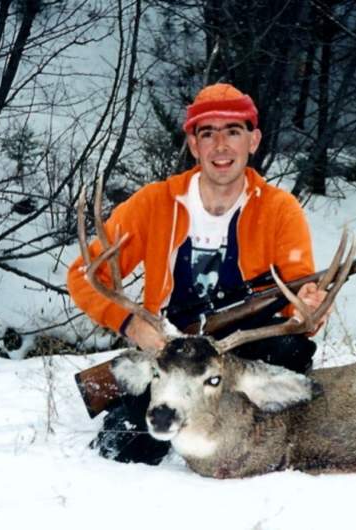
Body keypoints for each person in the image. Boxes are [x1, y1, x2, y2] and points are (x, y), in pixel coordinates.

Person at [67, 83, 327, 465]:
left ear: (253, 141)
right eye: (209, 133)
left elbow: (297, 299)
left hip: (238, 352)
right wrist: (131, 324)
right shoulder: (154, 203)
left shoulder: (279, 209)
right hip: (172, 350)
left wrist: (308, 306)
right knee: (130, 445)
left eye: (233, 132)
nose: (221, 145)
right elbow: (83, 275)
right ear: (194, 145)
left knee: (293, 351)